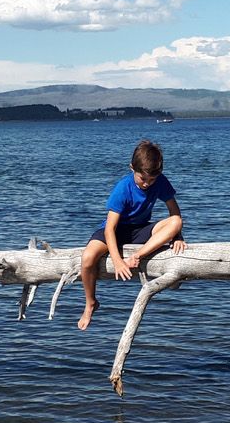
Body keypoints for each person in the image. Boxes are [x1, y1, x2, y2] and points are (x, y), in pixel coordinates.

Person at [78, 139, 185, 330]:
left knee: (176, 222)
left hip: (140, 230)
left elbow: (174, 212)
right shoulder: (123, 188)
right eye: (142, 179)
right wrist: (118, 261)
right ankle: (90, 302)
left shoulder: (160, 181)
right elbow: (110, 229)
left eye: (151, 180)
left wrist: (177, 236)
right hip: (116, 230)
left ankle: (139, 255)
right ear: (131, 168)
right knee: (87, 259)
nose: (146, 184)